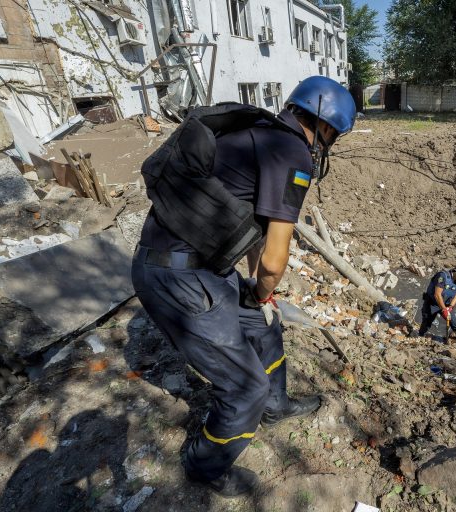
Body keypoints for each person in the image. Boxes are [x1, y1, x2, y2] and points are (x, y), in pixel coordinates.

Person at [131, 76, 356, 497]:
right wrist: (265, 287)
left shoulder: (261, 136)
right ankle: (204, 467)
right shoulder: (292, 153)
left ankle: (276, 405)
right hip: (178, 277)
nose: (330, 143)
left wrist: (258, 295)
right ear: (326, 127)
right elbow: (274, 257)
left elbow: (252, 232)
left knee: (262, 324)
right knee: (243, 387)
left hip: (195, 266)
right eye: (334, 135)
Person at [416, 264, 456, 341]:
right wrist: (444, 309)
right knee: (427, 322)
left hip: (447, 305)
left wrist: (450, 306)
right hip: (432, 303)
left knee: (454, 322)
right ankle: (420, 335)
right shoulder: (442, 276)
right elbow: (437, 295)